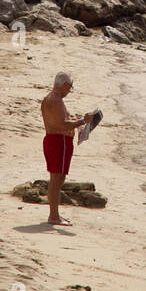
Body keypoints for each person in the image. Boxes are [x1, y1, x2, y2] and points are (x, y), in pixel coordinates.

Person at [40, 71, 93, 227]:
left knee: (58, 178)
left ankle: (54, 215)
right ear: (64, 85)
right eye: (70, 87)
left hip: (56, 140)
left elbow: (61, 120)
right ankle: (54, 216)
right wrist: (83, 120)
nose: (70, 91)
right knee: (57, 179)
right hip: (58, 141)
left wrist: (75, 120)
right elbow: (62, 124)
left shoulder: (51, 99)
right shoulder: (55, 100)